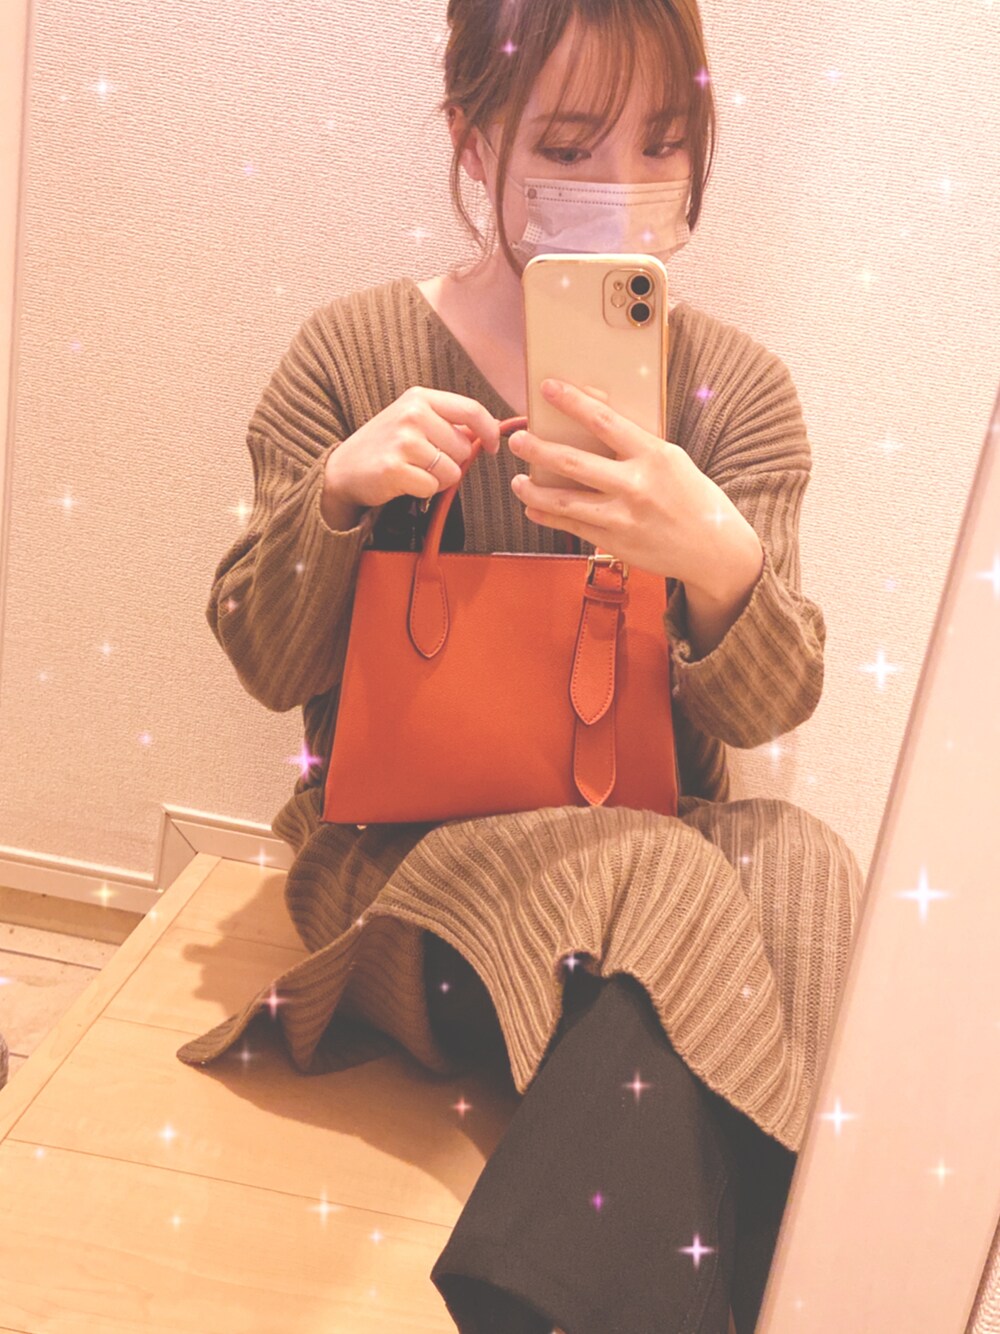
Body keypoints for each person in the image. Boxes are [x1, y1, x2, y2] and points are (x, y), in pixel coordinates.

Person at [177, 2, 867, 1331]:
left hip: (645, 870)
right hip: (403, 872)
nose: (621, 188)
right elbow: (264, 658)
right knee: (675, 870)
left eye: (662, 142)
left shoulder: (738, 396)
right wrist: (339, 498)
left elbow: (770, 707)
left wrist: (718, 564)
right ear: (473, 141)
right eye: (566, 144)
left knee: (808, 867)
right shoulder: (352, 358)